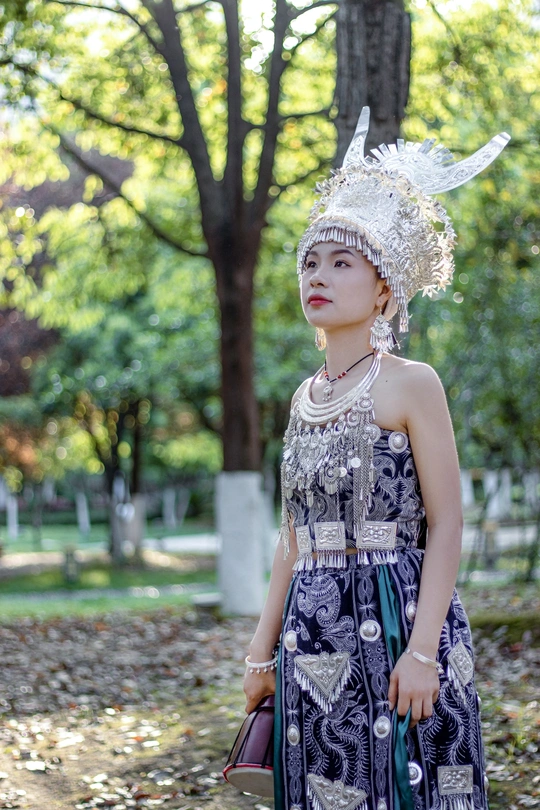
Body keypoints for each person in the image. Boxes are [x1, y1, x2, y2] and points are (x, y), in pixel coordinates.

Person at [243, 108, 509, 810]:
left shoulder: (413, 383)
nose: (318, 276)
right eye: (310, 262)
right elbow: (292, 537)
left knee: (408, 785)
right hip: (311, 636)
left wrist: (422, 652)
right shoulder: (303, 397)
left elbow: (447, 524)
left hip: (400, 620)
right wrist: (261, 651)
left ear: (384, 288)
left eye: (342, 263)